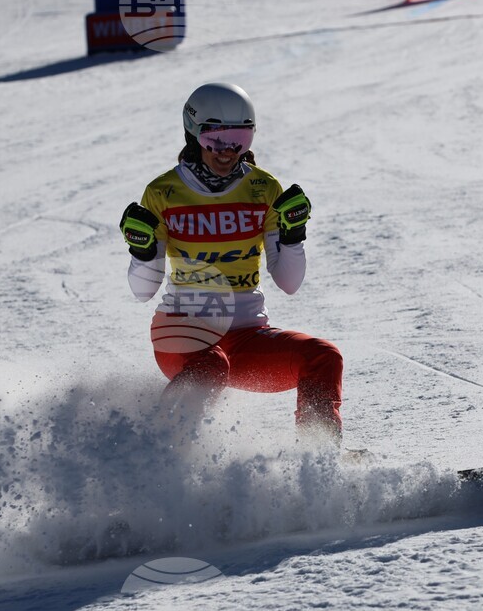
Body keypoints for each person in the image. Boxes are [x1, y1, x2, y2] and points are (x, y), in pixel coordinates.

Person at [119, 82, 343, 444]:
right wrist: (142, 252)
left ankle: (317, 466)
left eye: (239, 139)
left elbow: (289, 282)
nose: (227, 152)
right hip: (182, 333)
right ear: (193, 135)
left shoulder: (263, 188)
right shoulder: (163, 192)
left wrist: (292, 236)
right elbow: (143, 290)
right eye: (215, 140)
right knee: (211, 365)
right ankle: (154, 457)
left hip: (246, 335)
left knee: (322, 356)